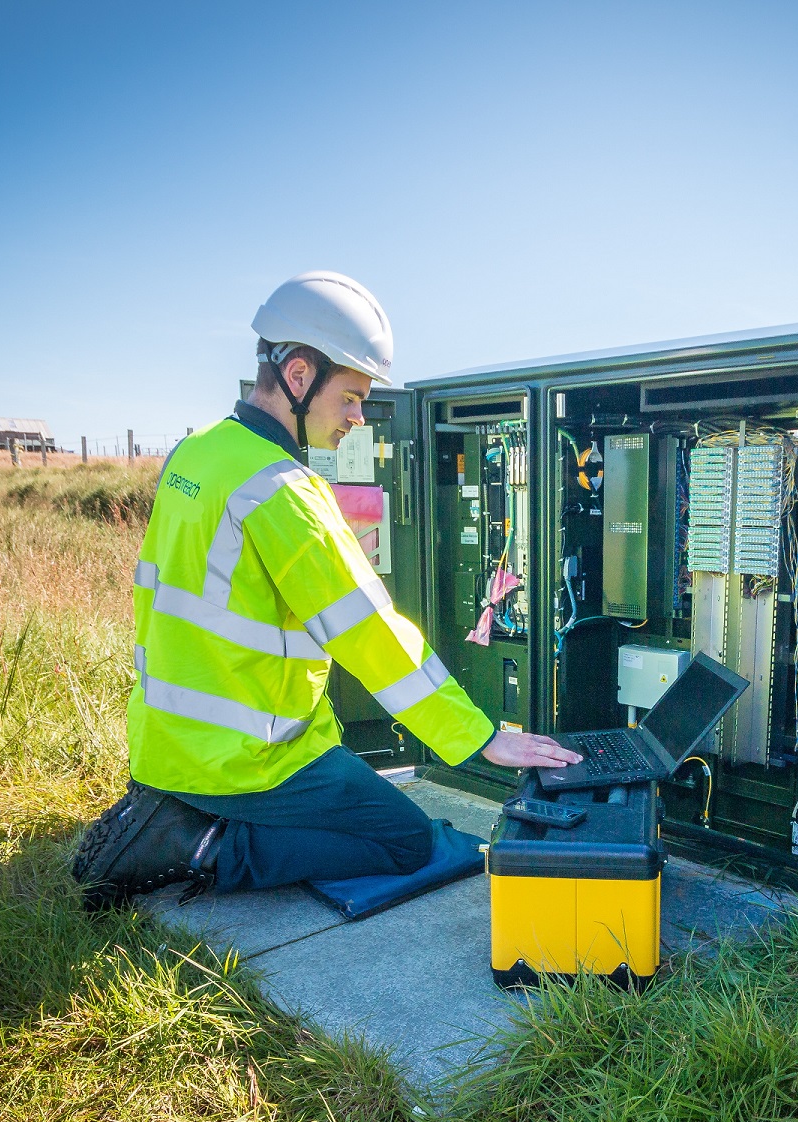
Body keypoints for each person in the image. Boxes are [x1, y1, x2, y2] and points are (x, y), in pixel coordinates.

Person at [73, 271, 579, 906]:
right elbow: (369, 631)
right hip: (253, 758)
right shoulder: (283, 491)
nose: (358, 418)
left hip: (165, 745)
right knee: (408, 842)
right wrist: (478, 737)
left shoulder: (195, 453)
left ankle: (175, 811)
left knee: (357, 805)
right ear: (300, 375)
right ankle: (196, 843)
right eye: (351, 397)